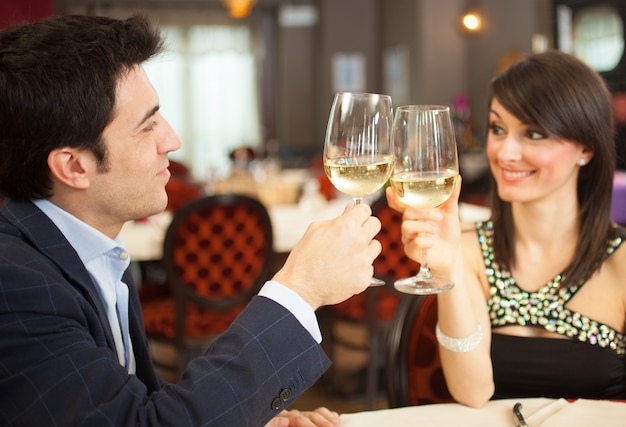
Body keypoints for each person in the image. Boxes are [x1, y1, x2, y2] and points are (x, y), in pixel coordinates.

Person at [0, 14, 382, 426]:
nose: (173, 140)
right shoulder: (16, 284)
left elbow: (127, 409)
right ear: (74, 166)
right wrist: (301, 289)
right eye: (146, 127)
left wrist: (245, 416)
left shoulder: (96, 252)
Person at [387, 50, 626, 408]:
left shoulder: (620, 260)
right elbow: (472, 391)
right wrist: (448, 267)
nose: (505, 152)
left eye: (533, 133)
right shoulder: (468, 250)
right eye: (498, 129)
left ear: (586, 148)